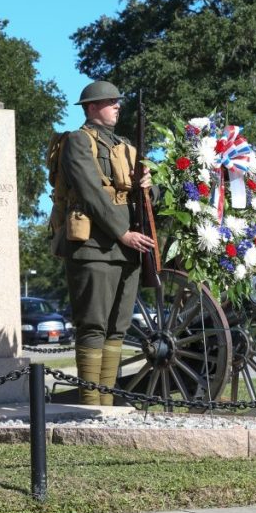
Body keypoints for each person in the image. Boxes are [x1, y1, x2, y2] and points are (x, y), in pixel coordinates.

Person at [50, 81, 155, 405]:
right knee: (93, 326)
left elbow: (144, 198)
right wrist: (121, 233)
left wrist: (149, 186)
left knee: (117, 328)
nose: (117, 106)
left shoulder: (124, 145)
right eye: (110, 101)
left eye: (117, 101)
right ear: (92, 107)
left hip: (128, 247)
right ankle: (89, 404)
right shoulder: (78, 142)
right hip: (93, 245)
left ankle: (106, 405)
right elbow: (90, 193)